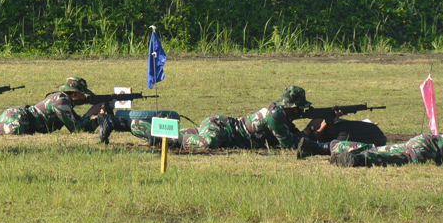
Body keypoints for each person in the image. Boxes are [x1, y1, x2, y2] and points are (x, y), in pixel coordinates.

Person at [128, 86, 323, 151]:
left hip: (224, 130)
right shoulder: (275, 115)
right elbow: (290, 144)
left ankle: (138, 126)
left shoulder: (281, 114)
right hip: (223, 130)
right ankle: (164, 139)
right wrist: (312, 132)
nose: (300, 112)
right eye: (299, 109)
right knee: (208, 142)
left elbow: (292, 136)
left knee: (183, 133)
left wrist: (312, 131)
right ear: (292, 108)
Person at [317, 110, 443, 168]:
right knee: (399, 157)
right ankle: (357, 159)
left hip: (429, 143)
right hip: (434, 150)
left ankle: (322, 147)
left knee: (383, 149)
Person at [0, 77, 96, 137]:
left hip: (22, 120)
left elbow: (81, 127)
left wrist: (97, 119)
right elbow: (77, 130)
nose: (84, 97)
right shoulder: (61, 103)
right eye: (82, 94)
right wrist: (91, 112)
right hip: (19, 118)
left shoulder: (65, 102)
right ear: (74, 93)